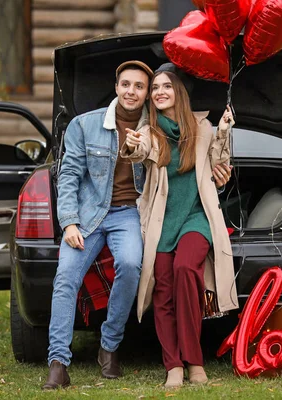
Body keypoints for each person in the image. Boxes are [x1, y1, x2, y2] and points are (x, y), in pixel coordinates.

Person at [121, 63, 239, 388]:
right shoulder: (148, 133)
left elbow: (219, 164)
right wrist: (131, 145)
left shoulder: (203, 128)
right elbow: (137, 150)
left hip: (196, 217)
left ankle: (194, 360)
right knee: (163, 289)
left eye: (166, 86)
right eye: (155, 87)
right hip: (162, 220)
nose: (159, 92)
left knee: (187, 269)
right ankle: (173, 364)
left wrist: (225, 130)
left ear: (178, 93)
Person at [42, 60, 154, 390]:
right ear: (116, 87)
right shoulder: (84, 125)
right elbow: (69, 176)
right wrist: (70, 223)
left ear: (147, 93)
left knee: (131, 264)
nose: (131, 91)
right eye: (126, 84)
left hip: (129, 213)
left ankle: (109, 346)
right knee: (65, 277)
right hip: (89, 214)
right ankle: (58, 363)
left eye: (139, 86)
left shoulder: (156, 129)